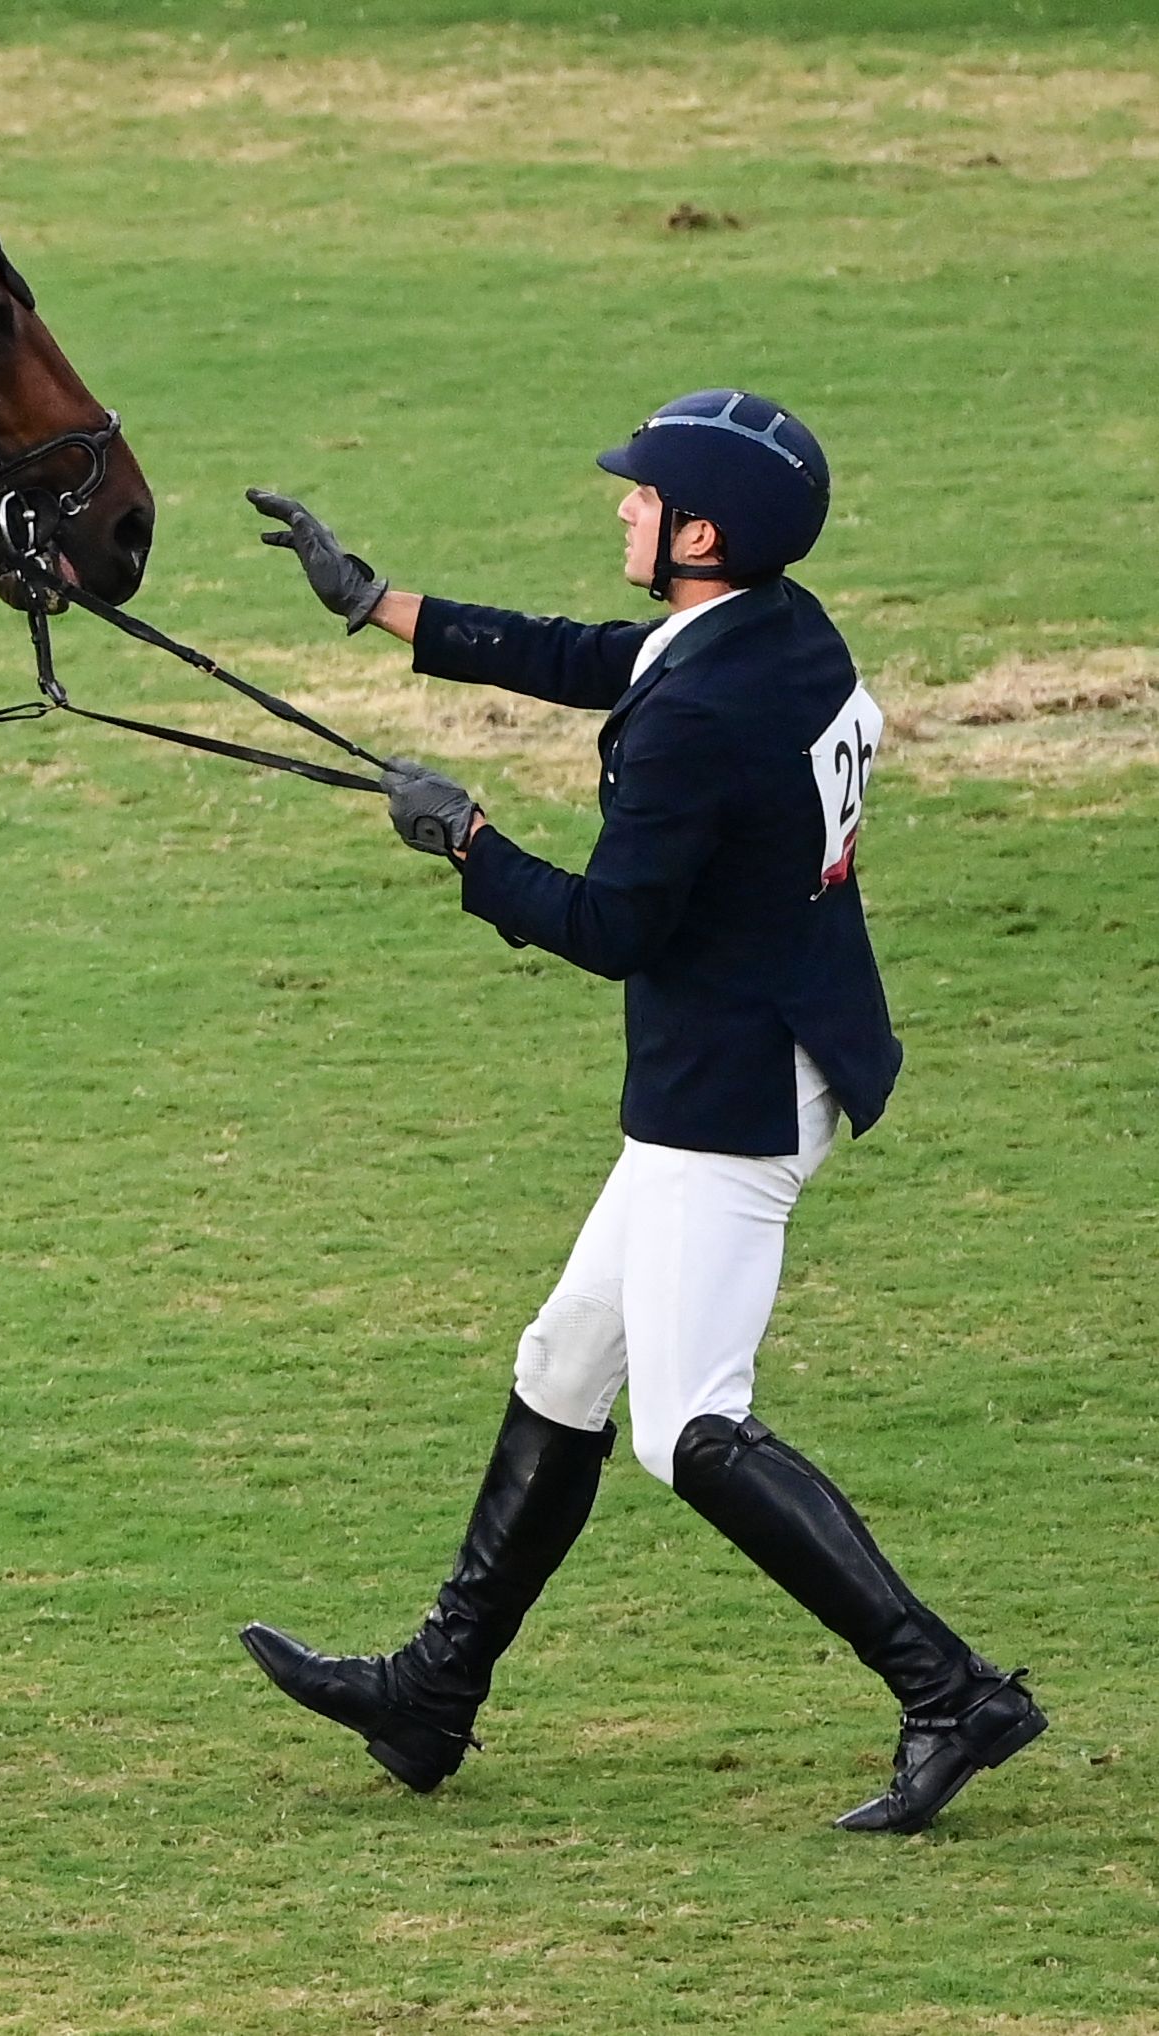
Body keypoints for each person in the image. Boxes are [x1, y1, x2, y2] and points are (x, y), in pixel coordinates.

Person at [234, 390, 1043, 1835]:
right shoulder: (776, 635)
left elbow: (614, 926)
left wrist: (468, 846)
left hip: (722, 1092)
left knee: (689, 1429)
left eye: (638, 496)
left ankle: (949, 1692)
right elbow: (603, 659)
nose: (616, 506)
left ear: (700, 533)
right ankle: (433, 1695)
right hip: (764, 1050)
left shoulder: (703, 719)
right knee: (563, 1361)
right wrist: (380, 607)